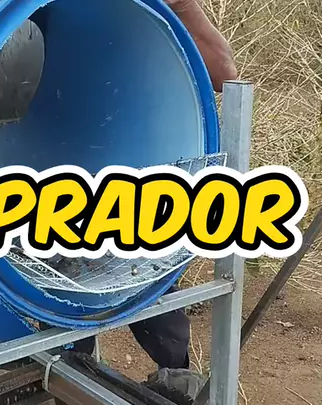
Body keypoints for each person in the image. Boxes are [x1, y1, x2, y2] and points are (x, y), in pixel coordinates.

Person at [65, 0, 238, 372]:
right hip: (50, 177)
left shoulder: (143, 17)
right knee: (64, 310)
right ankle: (69, 371)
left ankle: (175, 380)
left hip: (126, 170)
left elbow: (223, 73)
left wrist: (182, 6)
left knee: (154, 299)